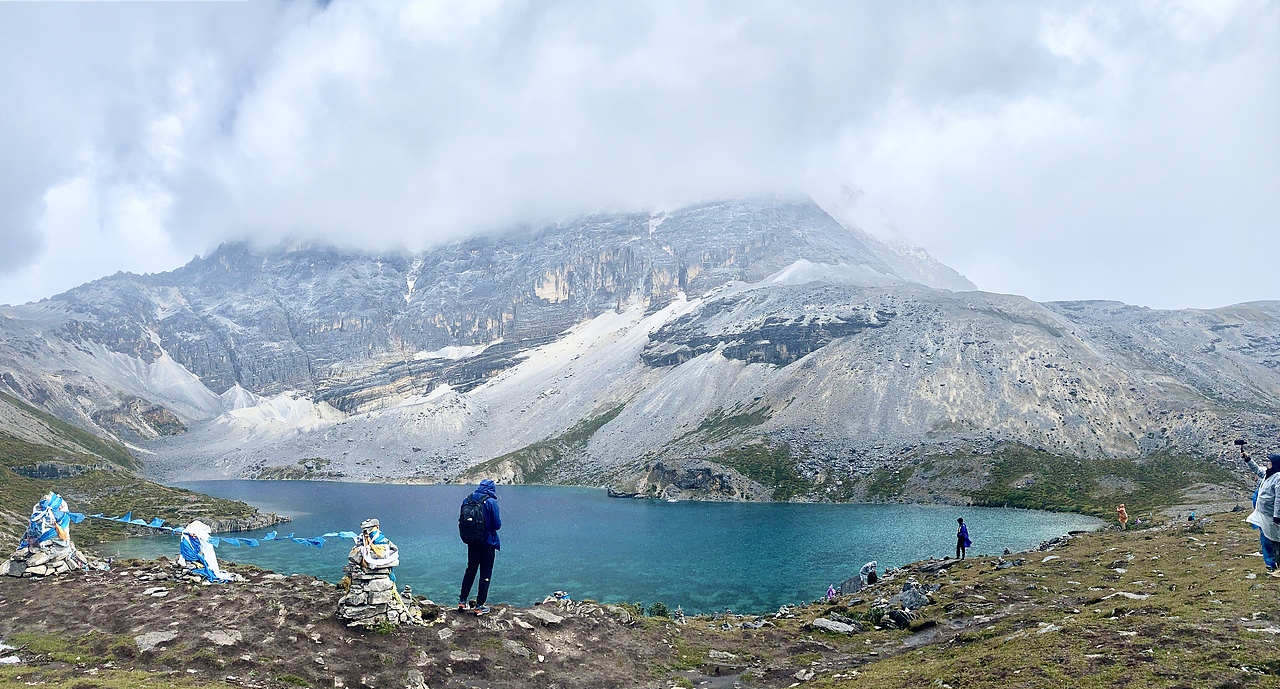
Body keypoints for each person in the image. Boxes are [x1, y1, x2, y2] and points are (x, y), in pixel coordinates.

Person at [458, 479, 501, 615]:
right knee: (485, 574)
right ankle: (479, 605)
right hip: (487, 543)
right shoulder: (490, 502)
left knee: (470, 570)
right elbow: (497, 525)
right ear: (491, 489)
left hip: (472, 542)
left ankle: (462, 601)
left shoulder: (467, 499)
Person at [1244, 452, 1280, 577]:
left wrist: (1277, 515)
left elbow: (1279, 499)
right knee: (1265, 539)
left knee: (1275, 540)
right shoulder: (1267, 474)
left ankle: (1278, 566)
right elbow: (1257, 470)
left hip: (1272, 517)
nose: (1267, 465)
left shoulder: (1278, 477)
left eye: (1270, 463)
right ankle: (1270, 565)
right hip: (1263, 515)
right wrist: (1248, 459)